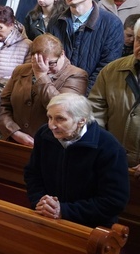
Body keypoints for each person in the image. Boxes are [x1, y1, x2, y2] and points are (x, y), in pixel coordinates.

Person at [24, 94, 129, 227]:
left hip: (90, 225)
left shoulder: (109, 146)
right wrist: (40, 202)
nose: (52, 126)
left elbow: (114, 201)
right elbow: (33, 174)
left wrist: (65, 210)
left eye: (60, 119)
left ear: (81, 121)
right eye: (50, 117)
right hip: (46, 216)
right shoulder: (44, 134)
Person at [0, 34, 88, 145]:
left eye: (51, 63)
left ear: (62, 54)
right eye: (38, 62)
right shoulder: (20, 70)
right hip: (14, 141)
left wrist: (41, 76)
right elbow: (2, 104)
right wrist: (13, 132)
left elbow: (63, 109)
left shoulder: (77, 75)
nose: (46, 68)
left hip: (51, 144)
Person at [46, 0, 123, 92]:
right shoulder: (55, 22)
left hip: (92, 94)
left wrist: (83, 94)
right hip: (57, 91)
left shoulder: (111, 23)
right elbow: (49, 58)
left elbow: (107, 66)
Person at [89, 18, 140, 176]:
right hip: (111, 164)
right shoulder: (112, 70)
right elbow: (95, 113)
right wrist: (102, 149)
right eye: (139, 39)